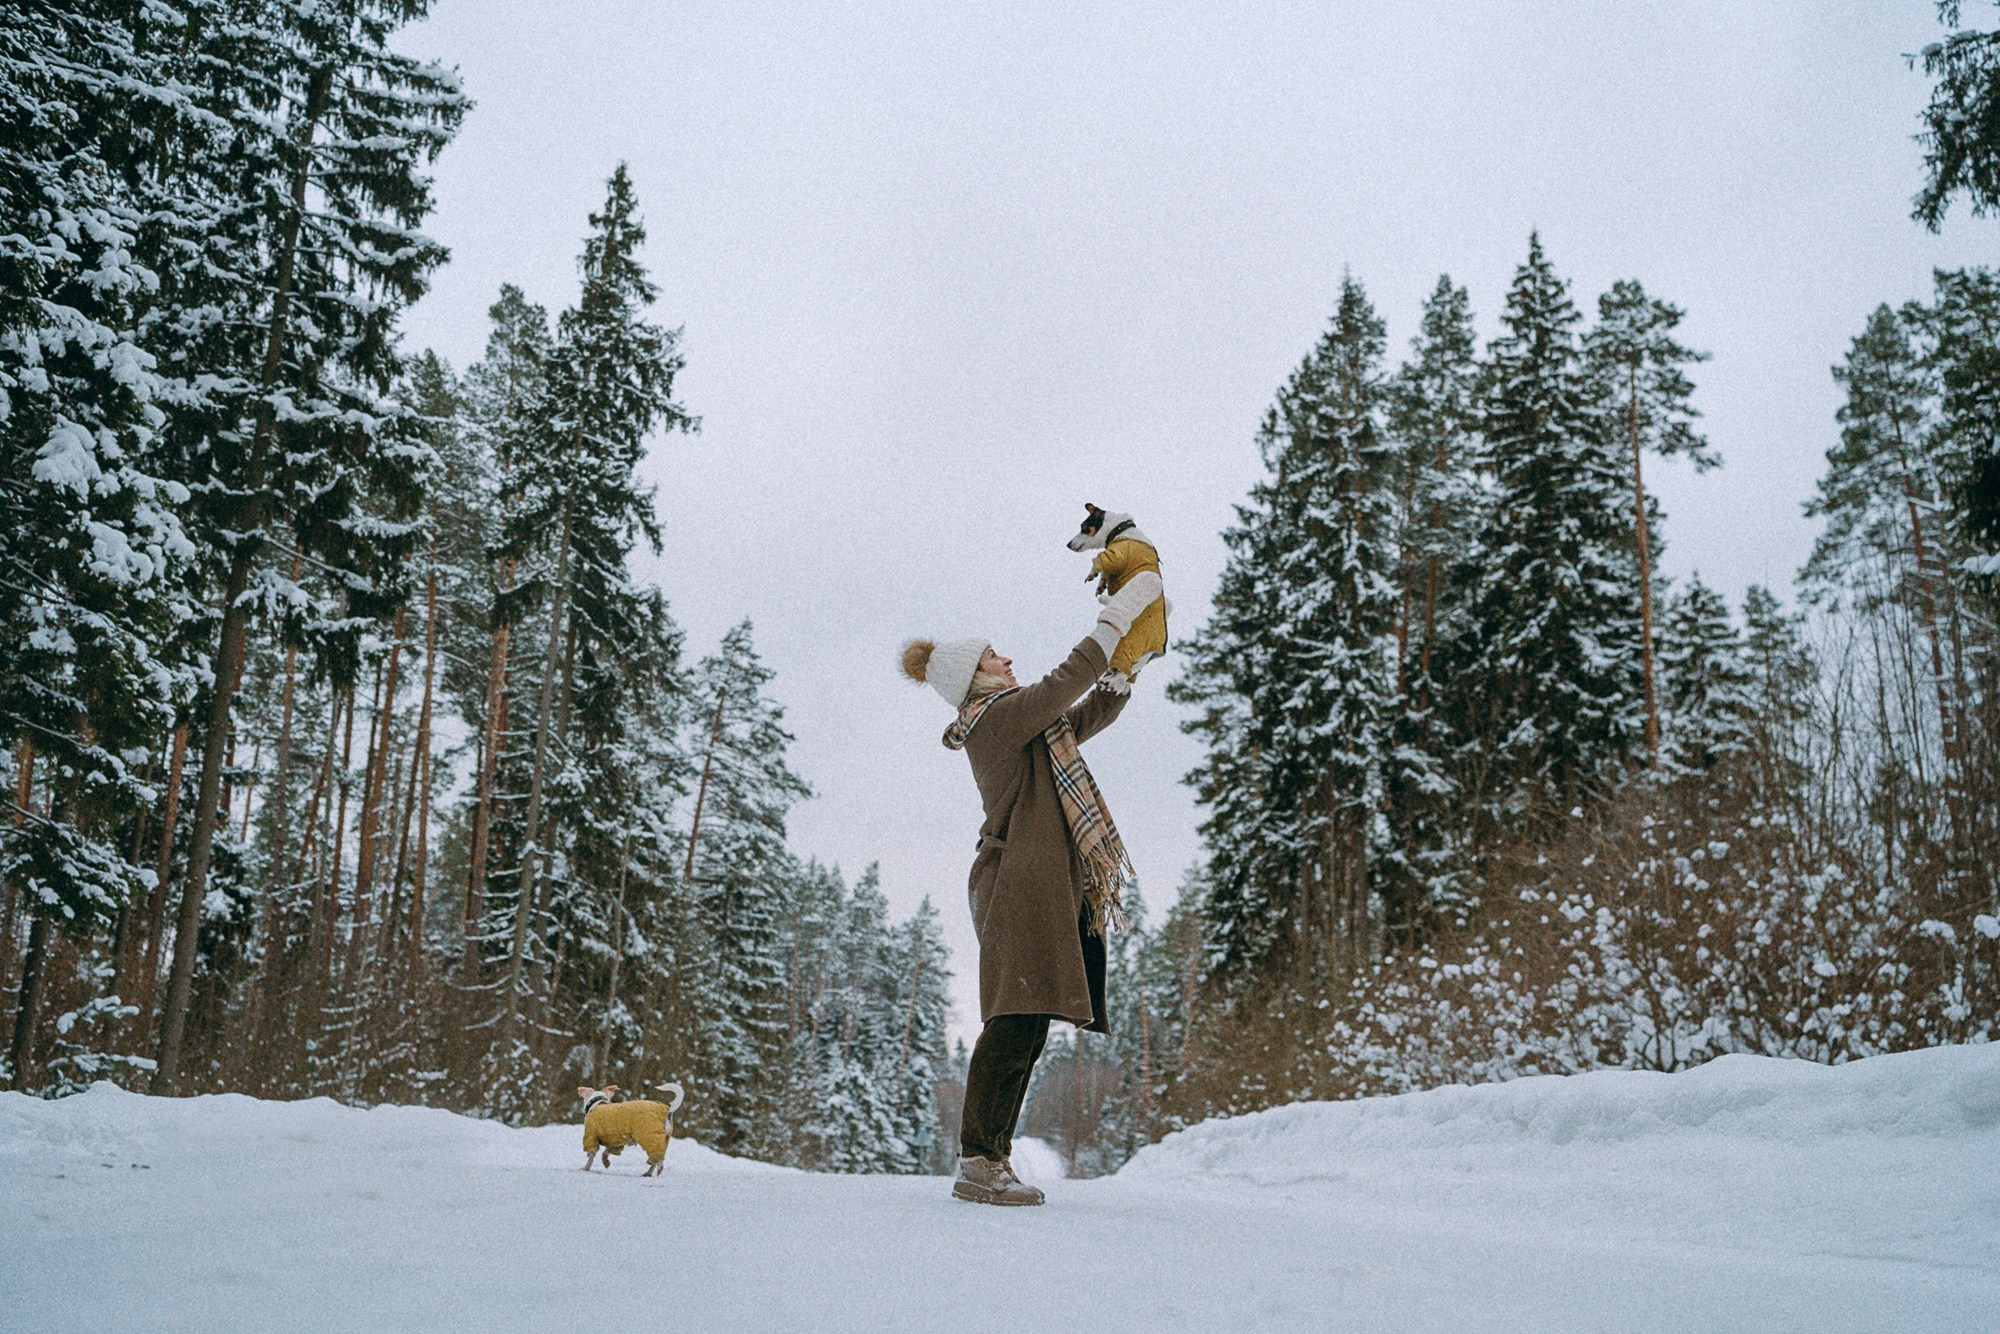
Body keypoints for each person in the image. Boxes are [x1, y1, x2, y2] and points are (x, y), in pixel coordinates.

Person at [899, 570, 1163, 1205]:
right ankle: (977, 1161)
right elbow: (1062, 686)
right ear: (975, 677)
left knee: (1032, 1023)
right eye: (994, 653)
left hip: (1037, 884)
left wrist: (1128, 667)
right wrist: (1112, 624)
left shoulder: (1022, 724)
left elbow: (1078, 713)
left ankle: (993, 1158)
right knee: (1013, 1022)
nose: (1007, 656)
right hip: (1017, 886)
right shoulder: (993, 720)